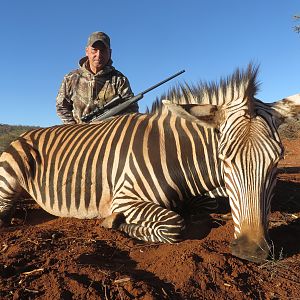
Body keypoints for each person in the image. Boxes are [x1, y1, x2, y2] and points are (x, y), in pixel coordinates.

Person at [56, 31, 138, 124]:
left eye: (103, 50)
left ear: (110, 52)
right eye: (94, 50)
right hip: (77, 134)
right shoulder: (71, 78)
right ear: (87, 51)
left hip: (108, 133)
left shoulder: (119, 79)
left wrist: (106, 123)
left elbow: (132, 109)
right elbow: (61, 106)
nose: (98, 55)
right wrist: (74, 129)